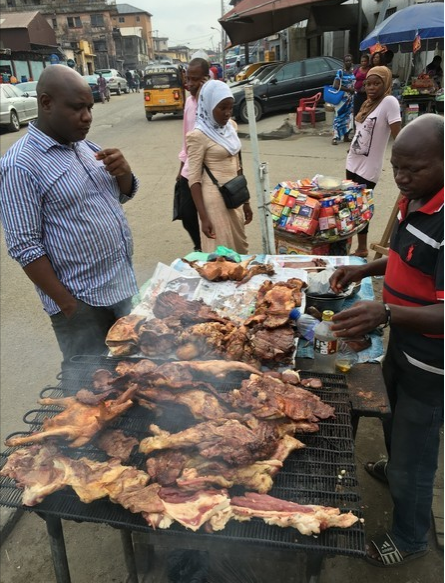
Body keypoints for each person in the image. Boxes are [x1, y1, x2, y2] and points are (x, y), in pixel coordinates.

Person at [329, 114, 444, 569]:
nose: (401, 177)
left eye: (414, 169)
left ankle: (411, 536)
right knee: (394, 417)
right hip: (402, 345)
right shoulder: (414, 197)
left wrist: (388, 312)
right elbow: (400, 257)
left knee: (417, 451)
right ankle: (394, 470)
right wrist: (362, 269)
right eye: (397, 167)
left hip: (432, 362)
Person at [0, 65, 139, 372]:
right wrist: (69, 306)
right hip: (82, 304)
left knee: (132, 376)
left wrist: (124, 173)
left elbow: (120, 197)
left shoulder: (85, 147)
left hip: (121, 287)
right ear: (46, 103)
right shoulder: (20, 165)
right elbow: (25, 247)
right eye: (77, 108)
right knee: (88, 387)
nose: (88, 116)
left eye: (89, 107)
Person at [187, 80, 253, 254]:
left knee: (240, 250)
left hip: (235, 194)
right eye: (222, 108)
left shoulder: (231, 127)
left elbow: (238, 164)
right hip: (215, 200)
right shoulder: (197, 136)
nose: (227, 113)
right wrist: (204, 217)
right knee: (221, 253)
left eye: (230, 108)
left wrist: (246, 201)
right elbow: (193, 180)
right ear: (208, 106)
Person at [346, 66, 402, 257]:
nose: (371, 87)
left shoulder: (389, 102)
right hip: (352, 162)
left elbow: (399, 137)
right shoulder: (367, 103)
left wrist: (404, 160)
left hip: (369, 168)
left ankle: (362, 248)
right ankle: (350, 246)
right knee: (351, 205)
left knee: (361, 207)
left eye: (377, 83)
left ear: (385, 83)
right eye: (368, 83)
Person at [176, 58, 210, 252]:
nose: (189, 84)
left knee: (209, 211)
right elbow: (186, 137)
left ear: (205, 79)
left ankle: (207, 248)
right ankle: (199, 245)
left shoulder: (212, 101)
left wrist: (205, 97)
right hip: (190, 166)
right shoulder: (188, 102)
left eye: (195, 79)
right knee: (186, 213)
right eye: (188, 78)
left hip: (209, 168)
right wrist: (181, 168)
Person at [332, 55, 356, 146]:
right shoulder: (340, 72)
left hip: (351, 99)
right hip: (342, 99)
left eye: (350, 60)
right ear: (344, 62)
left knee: (349, 118)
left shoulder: (353, 72)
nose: (348, 62)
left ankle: (346, 136)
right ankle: (335, 137)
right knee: (338, 117)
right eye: (346, 61)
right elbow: (335, 85)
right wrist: (348, 89)